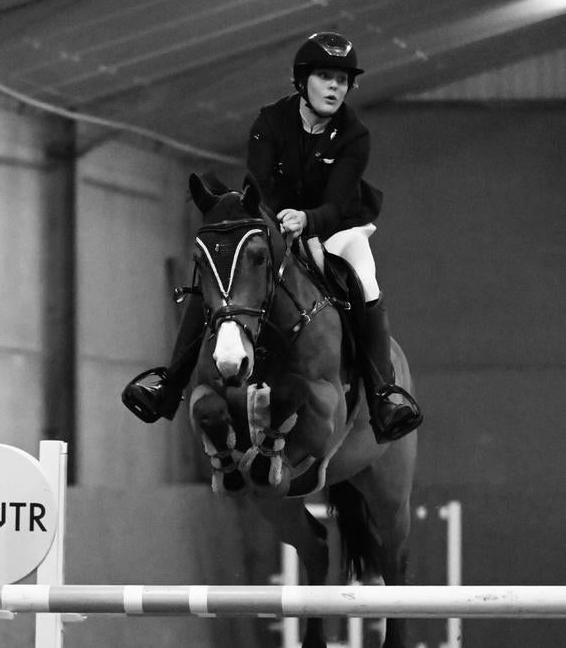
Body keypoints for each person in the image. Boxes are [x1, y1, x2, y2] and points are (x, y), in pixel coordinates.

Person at [122, 31, 422, 443]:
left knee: (365, 282)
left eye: (342, 79)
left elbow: (336, 201)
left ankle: (383, 394)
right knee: (219, 275)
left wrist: (307, 220)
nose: (335, 86)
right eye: (325, 76)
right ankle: (169, 384)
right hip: (273, 219)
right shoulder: (270, 121)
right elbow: (258, 181)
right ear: (303, 81)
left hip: (336, 227)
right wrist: (273, 220)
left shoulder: (355, 134)